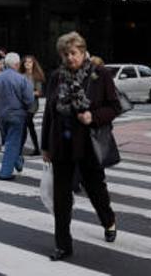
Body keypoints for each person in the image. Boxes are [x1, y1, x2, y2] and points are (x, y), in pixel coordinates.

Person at [41, 31, 120, 261]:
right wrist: (45, 146)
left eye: (73, 53)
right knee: (61, 198)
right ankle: (63, 245)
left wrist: (93, 117)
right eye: (65, 54)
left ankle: (109, 221)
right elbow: (48, 113)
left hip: (88, 144)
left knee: (96, 190)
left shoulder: (100, 74)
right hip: (62, 145)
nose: (70, 58)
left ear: (83, 51)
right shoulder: (56, 77)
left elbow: (114, 107)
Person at [0, 52, 33, 180]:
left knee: (9, 141)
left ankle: (17, 161)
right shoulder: (22, 79)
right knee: (12, 142)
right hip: (17, 114)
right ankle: (5, 172)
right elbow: (29, 100)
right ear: (17, 64)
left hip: (1, 115)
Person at [19, 55, 45, 156]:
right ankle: (37, 148)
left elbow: (39, 92)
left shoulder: (36, 76)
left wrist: (27, 93)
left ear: (33, 64)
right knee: (29, 126)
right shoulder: (21, 75)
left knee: (26, 124)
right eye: (26, 62)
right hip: (23, 104)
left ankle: (20, 148)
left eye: (30, 62)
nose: (27, 64)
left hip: (32, 105)